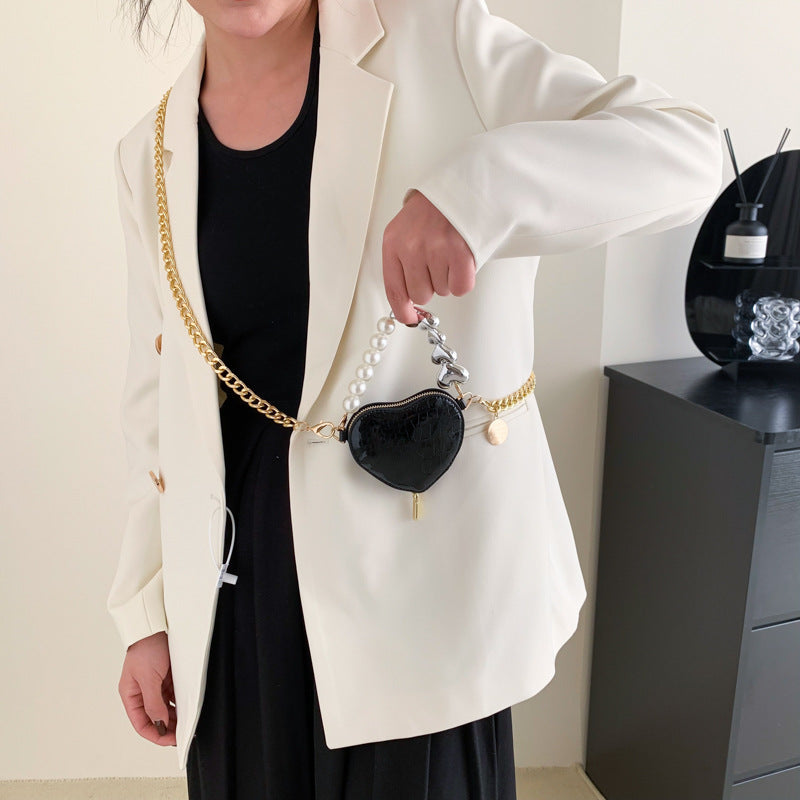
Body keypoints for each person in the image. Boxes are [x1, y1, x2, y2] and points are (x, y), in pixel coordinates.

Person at [109, 0, 724, 796]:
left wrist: (480, 191)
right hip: (235, 581)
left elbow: (687, 148)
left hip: (423, 575)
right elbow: (154, 399)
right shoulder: (149, 153)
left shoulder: (439, 37)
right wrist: (147, 611)